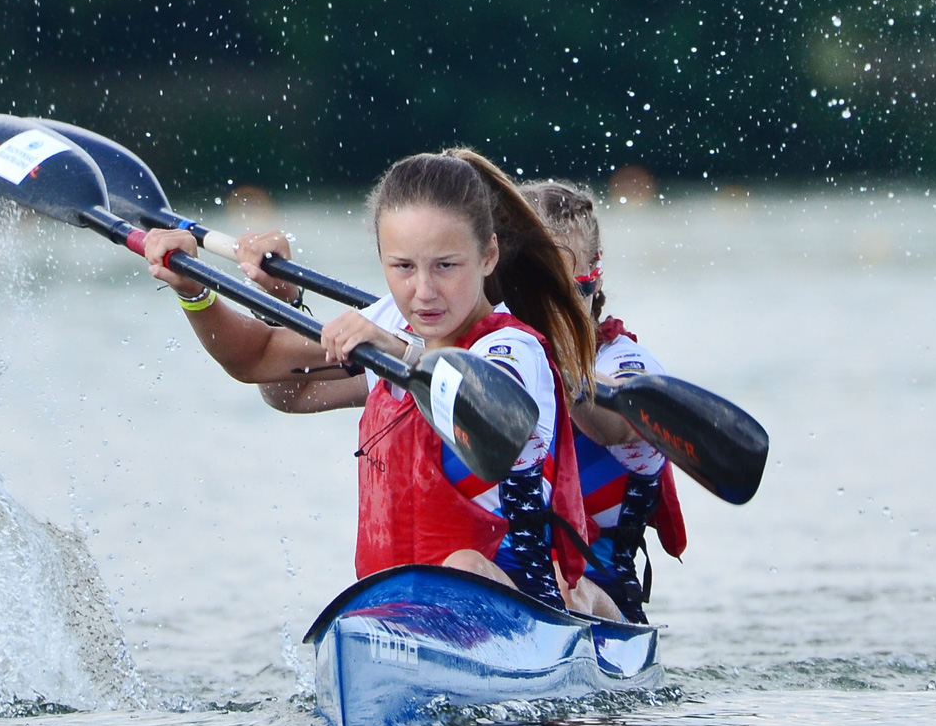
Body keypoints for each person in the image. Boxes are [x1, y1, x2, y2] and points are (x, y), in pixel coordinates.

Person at [140, 148, 609, 612]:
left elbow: (490, 407)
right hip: (395, 608)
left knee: (463, 565)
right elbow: (262, 363)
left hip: (521, 607)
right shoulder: (391, 319)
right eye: (402, 267)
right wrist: (197, 291)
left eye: (445, 266)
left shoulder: (512, 349)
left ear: (488, 256)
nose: (423, 292)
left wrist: (398, 350)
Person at [519, 180, 686, 624]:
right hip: (495, 589)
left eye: (571, 292)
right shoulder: (484, 354)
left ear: (596, 275)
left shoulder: (629, 363)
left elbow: (617, 425)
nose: (554, 313)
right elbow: (306, 390)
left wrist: (558, 369)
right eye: (536, 293)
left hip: (601, 608)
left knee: (563, 584)